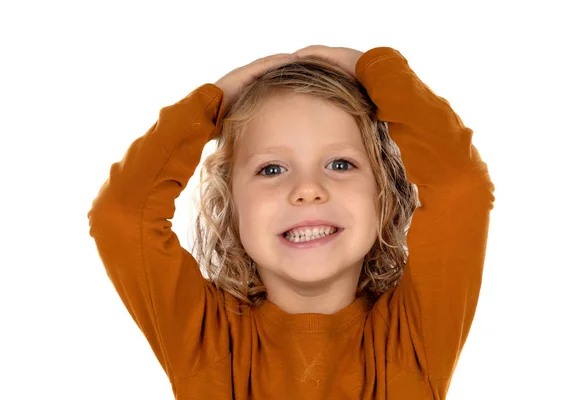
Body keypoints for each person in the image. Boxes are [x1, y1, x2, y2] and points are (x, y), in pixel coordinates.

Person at [87, 45, 495, 399]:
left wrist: (377, 68)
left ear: (384, 197)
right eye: (271, 169)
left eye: (340, 163)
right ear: (231, 206)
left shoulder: (411, 340)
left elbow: (460, 187)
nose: (307, 189)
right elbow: (121, 216)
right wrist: (210, 104)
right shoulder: (207, 341)